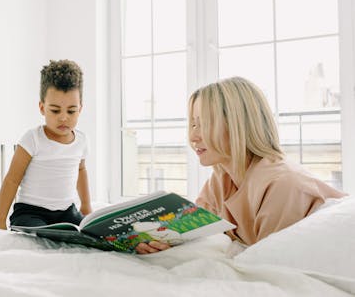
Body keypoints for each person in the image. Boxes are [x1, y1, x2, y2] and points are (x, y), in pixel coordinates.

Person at [135, 76, 346, 254]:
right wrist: (160, 244)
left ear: (238, 126)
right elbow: (192, 236)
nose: (193, 136)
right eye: (193, 124)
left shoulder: (282, 184)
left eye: (204, 124)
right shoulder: (220, 180)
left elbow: (268, 265)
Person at [0, 59, 92, 230]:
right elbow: (11, 180)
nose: (63, 117)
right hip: (31, 212)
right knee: (38, 233)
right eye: (55, 110)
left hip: (66, 211)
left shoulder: (81, 141)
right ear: (42, 107)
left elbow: (81, 170)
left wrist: (86, 206)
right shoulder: (32, 139)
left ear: (80, 109)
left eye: (71, 111)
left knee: (89, 230)